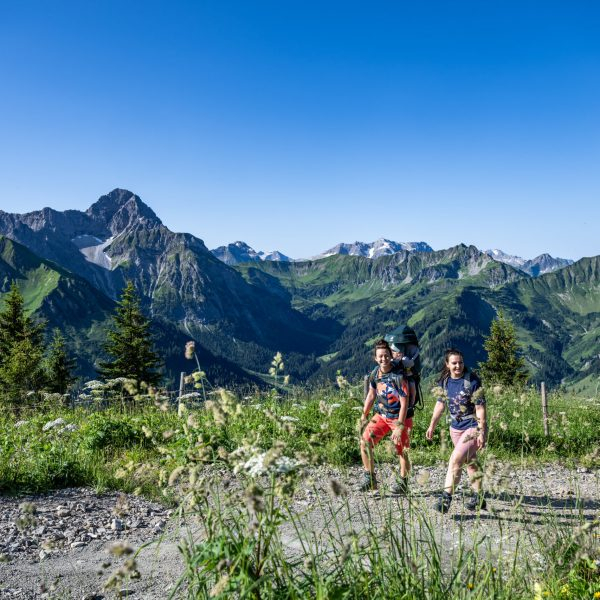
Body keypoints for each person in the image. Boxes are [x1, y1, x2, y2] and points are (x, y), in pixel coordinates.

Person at [426, 348, 487, 513]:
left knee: (455, 460)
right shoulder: (445, 382)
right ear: (447, 364)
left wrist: (481, 431)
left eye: (460, 362)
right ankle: (479, 498)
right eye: (454, 363)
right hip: (455, 428)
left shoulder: (472, 381)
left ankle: (445, 499)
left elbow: (480, 408)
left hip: (472, 427)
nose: (458, 366)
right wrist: (432, 424)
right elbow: (440, 405)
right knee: (471, 463)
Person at [359, 339, 416, 493]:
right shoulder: (374, 373)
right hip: (382, 415)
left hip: (400, 418)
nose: (383, 359)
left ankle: (403, 483)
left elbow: (404, 402)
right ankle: (370, 478)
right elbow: (371, 395)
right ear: (375, 358)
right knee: (365, 442)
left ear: (390, 356)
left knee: (402, 451)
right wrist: (364, 415)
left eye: (386, 355)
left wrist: (399, 426)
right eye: (380, 356)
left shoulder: (398, 376)